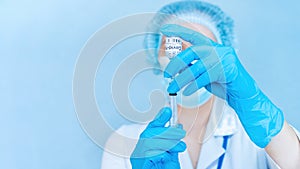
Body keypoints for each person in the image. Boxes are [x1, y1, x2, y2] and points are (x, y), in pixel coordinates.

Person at [101, 1, 300, 169]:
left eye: (199, 48)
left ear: (223, 60)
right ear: (155, 58)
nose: (184, 58)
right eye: (173, 47)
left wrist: (254, 102)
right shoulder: (127, 142)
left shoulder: (257, 134)